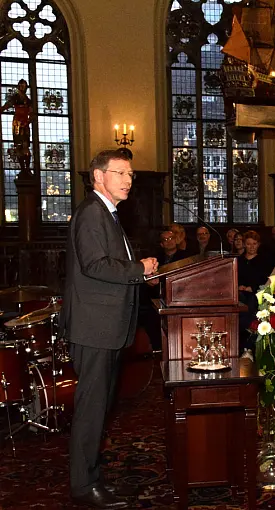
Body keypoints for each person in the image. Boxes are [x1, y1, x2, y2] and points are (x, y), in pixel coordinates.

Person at [59, 150, 158, 509]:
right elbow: (95, 265)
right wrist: (139, 269)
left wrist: (141, 273)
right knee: (92, 408)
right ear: (99, 176)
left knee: (100, 407)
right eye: (120, 173)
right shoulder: (91, 212)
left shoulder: (108, 213)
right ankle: (84, 486)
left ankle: (91, 475)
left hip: (106, 326)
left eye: (130, 174)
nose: (128, 180)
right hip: (95, 327)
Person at [0, 79, 32, 174]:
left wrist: (28, 121)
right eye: (21, 86)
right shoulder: (15, 97)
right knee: (18, 146)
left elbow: (32, 113)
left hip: (25, 124)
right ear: (18, 87)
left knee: (25, 146)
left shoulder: (28, 100)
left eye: (24, 86)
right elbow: (7, 105)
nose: (23, 88)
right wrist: (2, 109)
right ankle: (23, 169)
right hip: (17, 124)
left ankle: (27, 168)